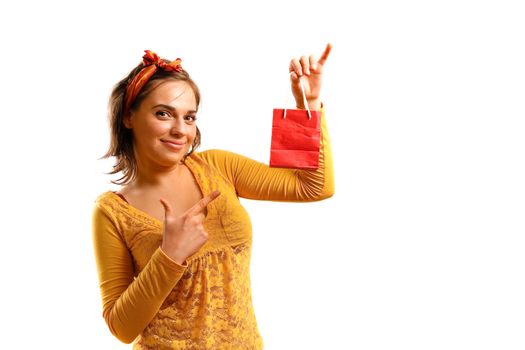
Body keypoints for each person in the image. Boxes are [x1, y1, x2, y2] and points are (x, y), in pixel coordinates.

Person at [92, 44, 335, 349]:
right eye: (163, 114)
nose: (180, 130)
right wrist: (169, 255)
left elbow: (313, 187)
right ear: (129, 117)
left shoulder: (219, 166)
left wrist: (307, 105)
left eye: (189, 117)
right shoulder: (113, 211)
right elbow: (121, 327)